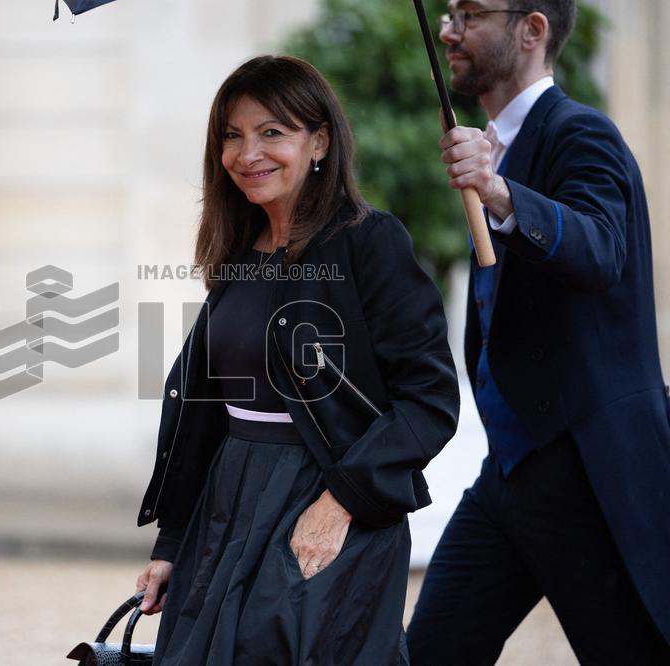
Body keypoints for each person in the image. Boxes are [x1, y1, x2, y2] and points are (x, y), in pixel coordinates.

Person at [134, 55, 460, 665]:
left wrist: (341, 502)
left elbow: (429, 400)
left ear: (320, 141)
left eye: (271, 132)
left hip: (330, 503)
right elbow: (206, 410)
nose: (246, 153)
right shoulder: (235, 250)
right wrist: (173, 541)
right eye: (231, 136)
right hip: (226, 507)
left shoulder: (370, 240)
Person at [406, 2, 670, 664]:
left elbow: (601, 249)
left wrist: (500, 194)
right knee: (430, 651)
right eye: (447, 12)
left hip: (588, 472)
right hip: (510, 474)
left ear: (533, 29)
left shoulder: (583, 135)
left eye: (471, 13)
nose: (448, 30)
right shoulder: (492, 145)